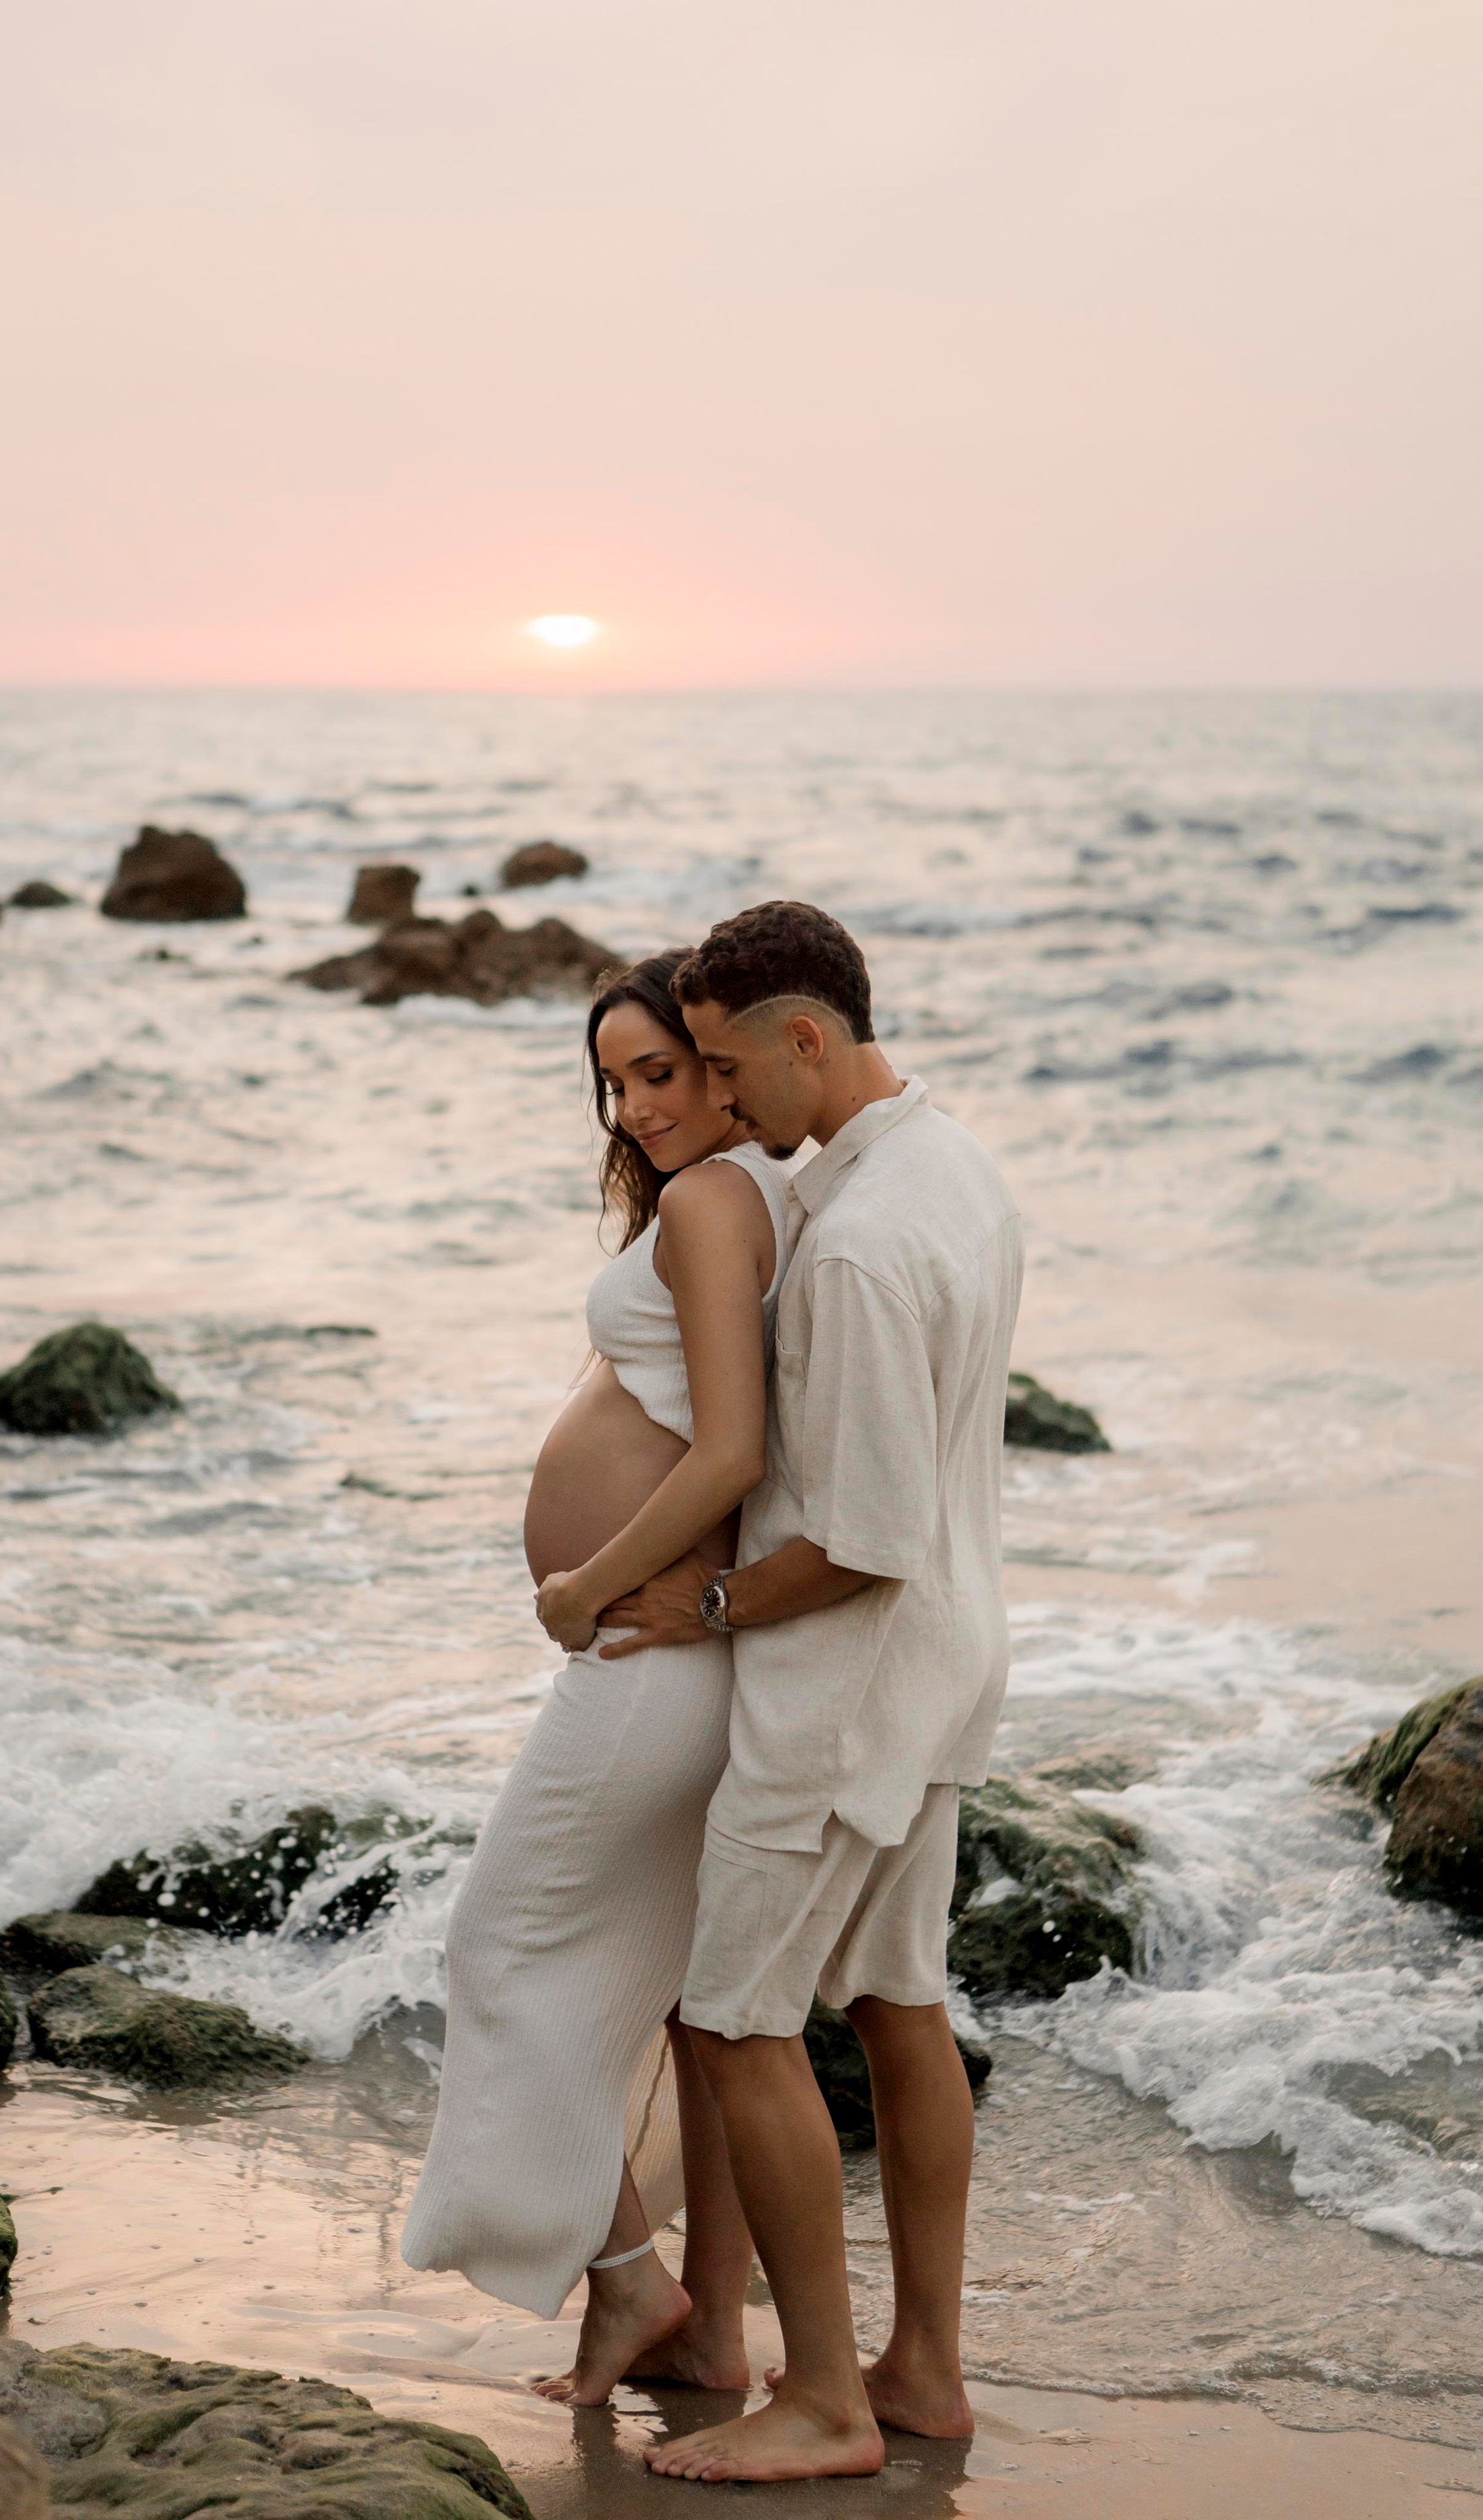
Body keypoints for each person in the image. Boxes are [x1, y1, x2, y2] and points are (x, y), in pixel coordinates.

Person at [593, 900, 1024, 2485]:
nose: (715, 1103)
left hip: (841, 1685)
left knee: (729, 2018)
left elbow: (857, 1538)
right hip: (948, 1659)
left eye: (722, 1066)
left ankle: (826, 2400)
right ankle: (921, 2368)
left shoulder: (848, 1246)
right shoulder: (952, 1166)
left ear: (806, 1039)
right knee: (899, 2004)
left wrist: (697, 1601)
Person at [400, 948, 793, 2404]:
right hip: (669, 1653)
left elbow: (732, 1451)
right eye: (611, 1084)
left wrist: (582, 1581)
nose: (631, 1110)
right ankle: (704, 2323)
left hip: (641, 1656)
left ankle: (630, 2282)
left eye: (659, 1074)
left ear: (721, 1060)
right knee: (682, 2004)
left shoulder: (711, 1198)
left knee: (492, 1949)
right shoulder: (732, 1197)